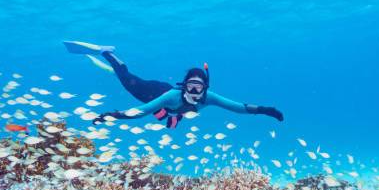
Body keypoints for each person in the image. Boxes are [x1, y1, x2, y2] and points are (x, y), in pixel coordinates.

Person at [64, 42, 284, 129]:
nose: (195, 91)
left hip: (171, 111)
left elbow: (238, 107)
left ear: (205, 88)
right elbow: (142, 112)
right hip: (152, 93)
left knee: (170, 123)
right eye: (191, 86)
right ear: (185, 85)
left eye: (199, 87)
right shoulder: (173, 95)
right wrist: (111, 115)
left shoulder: (209, 97)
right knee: (127, 80)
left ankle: (174, 117)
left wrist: (265, 110)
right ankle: (106, 53)